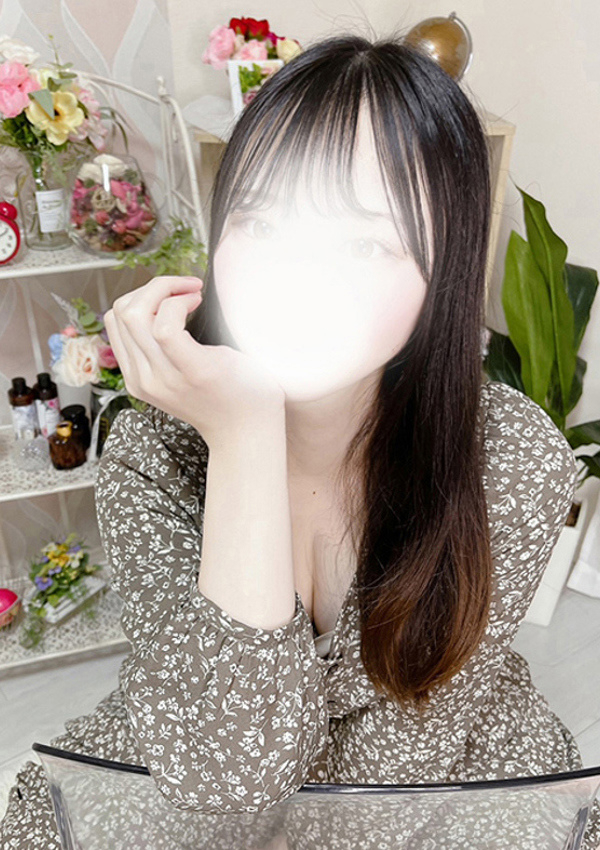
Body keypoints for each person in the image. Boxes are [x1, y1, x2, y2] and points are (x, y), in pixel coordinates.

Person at [1, 32, 598, 850]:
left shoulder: (511, 456)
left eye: (364, 242)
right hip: (211, 747)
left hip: (440, 773)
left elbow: (403, 770)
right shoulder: (154, 455)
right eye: (262, 220)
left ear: (444, 271)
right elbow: (224, 781)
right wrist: (244, 436)